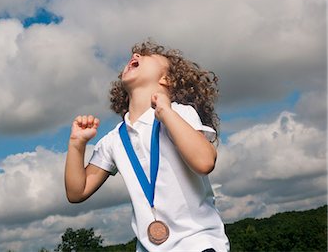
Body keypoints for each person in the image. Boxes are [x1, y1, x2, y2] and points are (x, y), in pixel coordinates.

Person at [65, 40, 230, 251]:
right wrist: (76, 145)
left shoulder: (178, 113)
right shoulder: (114, 139)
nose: (135, 55)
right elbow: (77, 192)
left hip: (198, 243)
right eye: (134, 55)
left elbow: (205, 162)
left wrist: (166, 113)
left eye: (145, 55)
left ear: (166, 79)